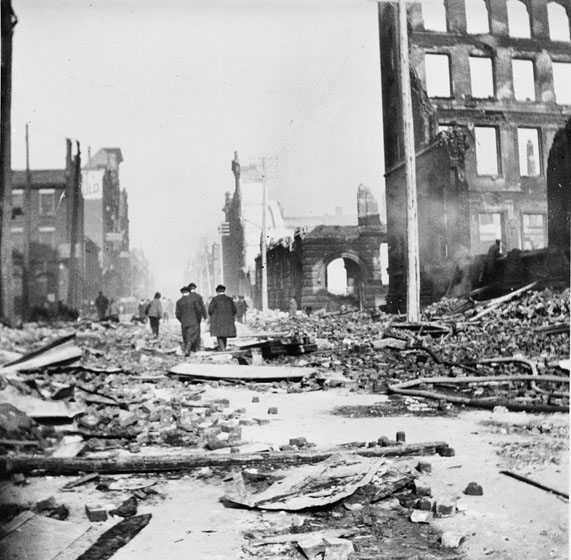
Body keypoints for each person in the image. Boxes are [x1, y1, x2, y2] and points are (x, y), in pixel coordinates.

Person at [176, 283, 207, 356]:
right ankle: (191, 349)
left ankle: (188, 348)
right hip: (194, 321)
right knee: (193, 335)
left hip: (184, 322)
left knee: (185, 335)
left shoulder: (179, 301)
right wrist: (199, 319)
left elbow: (177, 314)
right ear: (188, 292)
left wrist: (182, 320)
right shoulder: (194, 299)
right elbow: (199, 310)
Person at [208, 284, 237, 351]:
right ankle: (224, 347)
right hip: (227, 319)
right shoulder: (229, 299)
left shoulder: (215, 299)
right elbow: (234, 310)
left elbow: (210, 310)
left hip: (217, 320)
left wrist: (212, 316)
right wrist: (230, 316)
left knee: (219, 334)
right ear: (224, 291)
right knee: (225, 334)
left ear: (217, 291)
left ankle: (222, 348)